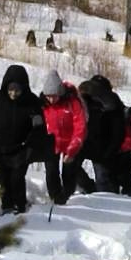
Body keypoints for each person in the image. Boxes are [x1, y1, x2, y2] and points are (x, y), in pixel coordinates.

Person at [0, 64, 49, 214]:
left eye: (17, 90)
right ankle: (7, 208)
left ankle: (19, 208)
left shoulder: (32, 102)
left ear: (24, 88)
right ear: (5, 86)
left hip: (22, 149)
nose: (13, 93)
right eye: (10, 89)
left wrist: (34, 137)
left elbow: (40, 127)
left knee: (17, 179)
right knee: (5, 180)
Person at [39, 71, 87, 206]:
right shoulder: (42, 104)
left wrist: (73, 149)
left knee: (69, 172)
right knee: (51, 172)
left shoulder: (72, 102)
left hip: (70, 143)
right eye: (48, 96)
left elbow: (80, 126)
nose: (51, 100)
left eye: (54, 96)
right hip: (51, 143)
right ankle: (55, 198)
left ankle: (67, 197)